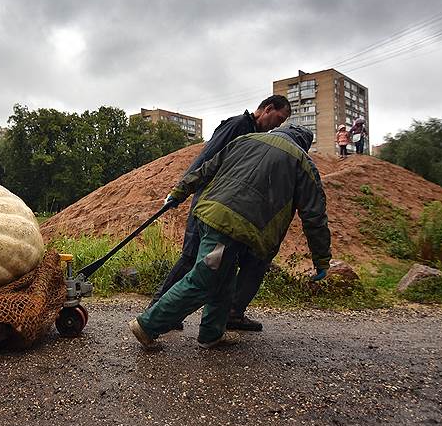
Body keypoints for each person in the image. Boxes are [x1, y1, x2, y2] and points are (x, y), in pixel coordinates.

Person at [128, 124, 332, 350]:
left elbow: (207, 169)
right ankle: (148, 325)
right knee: (203, 280)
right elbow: (314, 217)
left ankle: (211, 334)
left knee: (224, 277)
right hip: (232, 227)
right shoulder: (303, 163)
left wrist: (179, 192)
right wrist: (321, 260)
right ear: (304, 144)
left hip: (208, 215)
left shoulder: (246, 140)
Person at [148, 95, 291, 332]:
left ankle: (223, 316)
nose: (278, 125)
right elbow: (207, 157)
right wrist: (179, 191)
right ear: (268, 109)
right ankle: (158, 308)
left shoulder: (253, 133)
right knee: (191, 256)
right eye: (279, 118)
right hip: (208, 200)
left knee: (215, 262)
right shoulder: (238, 126)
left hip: (224, 203)